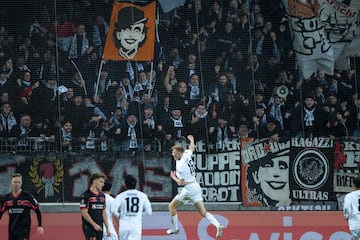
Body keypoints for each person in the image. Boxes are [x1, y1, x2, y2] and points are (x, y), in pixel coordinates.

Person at [167, 135, 225, 238]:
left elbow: (181, 183)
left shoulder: (181, 166)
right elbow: (191, 148)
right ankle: (218, 225)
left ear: (179, 153)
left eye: (174, 153)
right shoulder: (186, 155)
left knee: (171, 206)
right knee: (203, 212)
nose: (173, 154)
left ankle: (175, 229)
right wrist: (192, 140)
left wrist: (173, 176)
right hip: (195, 186)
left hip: (188, 189)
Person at [0, 173, 45, 239]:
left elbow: (37, 210)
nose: (17, 184)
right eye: (15, 182)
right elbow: (1, 212)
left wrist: (40, 225)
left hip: (24, 230)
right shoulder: (6, 199)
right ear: (11, 183)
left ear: (21, 183)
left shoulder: (27, 197)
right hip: (12, 230)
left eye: (18, 182)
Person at [113, 174, 152, 240]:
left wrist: (119, 215)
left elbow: (113, 210)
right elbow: (149, 212)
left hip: (124, 225)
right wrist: (139, 214)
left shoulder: (121, 196)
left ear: (125, 184)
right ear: (136, 184)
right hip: (135, 226)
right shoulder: (142, 195)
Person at [80, 173, 110, 240]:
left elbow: (104, 212)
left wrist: (107, 228)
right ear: (94, 181)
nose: (103, 184)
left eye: (103, 182)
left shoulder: (102, 196)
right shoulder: (86, 195)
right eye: (101, 182)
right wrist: (94, 225)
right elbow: (84, 212)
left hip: (100, 226)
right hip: (89, 226)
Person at [343, 174, 360, 239]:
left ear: (353, 185)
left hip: (355, 224)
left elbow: (347, 209)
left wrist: (346, 217)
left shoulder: (349, 196)